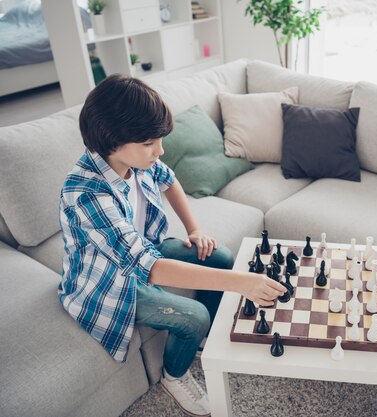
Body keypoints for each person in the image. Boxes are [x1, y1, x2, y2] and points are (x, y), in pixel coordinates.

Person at [59, 74, 286, 417]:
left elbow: (169, 179)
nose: (160, 150)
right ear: (113, 139)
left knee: (219, 255)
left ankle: (205, 341)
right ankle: (174, 376)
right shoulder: (84, 194)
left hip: (143, 250)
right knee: (194, 316)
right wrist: (245, 282)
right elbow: (148, 267)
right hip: (109, 281)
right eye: (151, 142)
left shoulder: (136, 161)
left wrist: (194, 230)